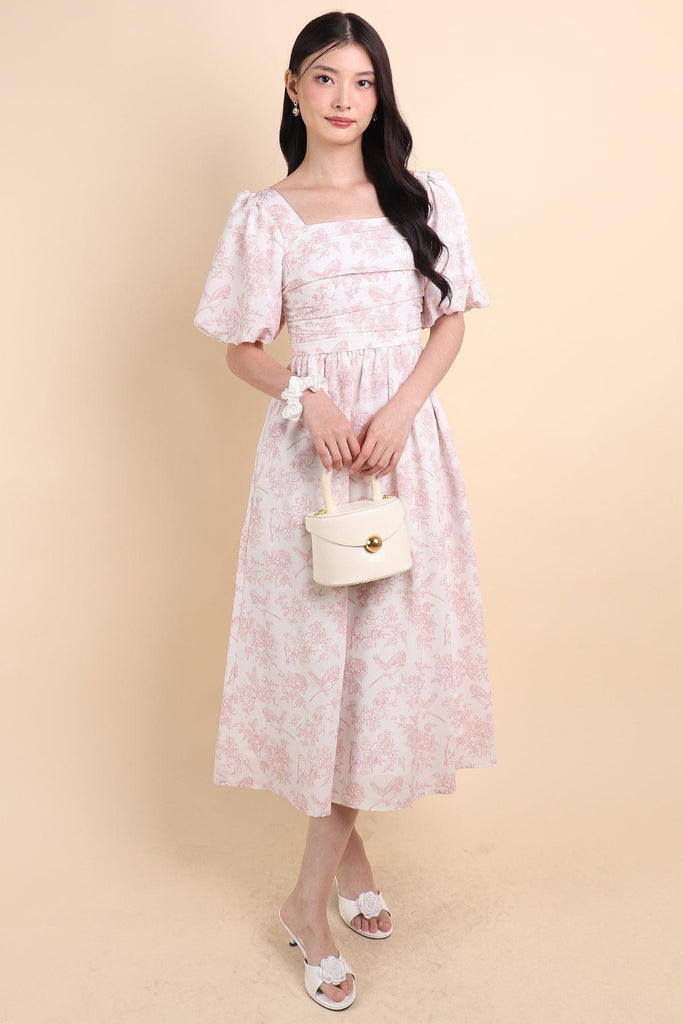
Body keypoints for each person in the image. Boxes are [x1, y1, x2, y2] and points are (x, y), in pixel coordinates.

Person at [193, 10, 497, 1012]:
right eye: (324, 78)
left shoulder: (422, 196)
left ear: (379, 95)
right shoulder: (265, 215)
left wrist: (399, 410)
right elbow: (241, 347)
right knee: (330, 668)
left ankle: (318, 881)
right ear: (292, 89)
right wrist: (307, 394)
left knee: (381, 672)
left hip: (404, 457)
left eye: (362, 82)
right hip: (312, 468)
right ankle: (314, 899)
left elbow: (447, 323)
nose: (343, 99)